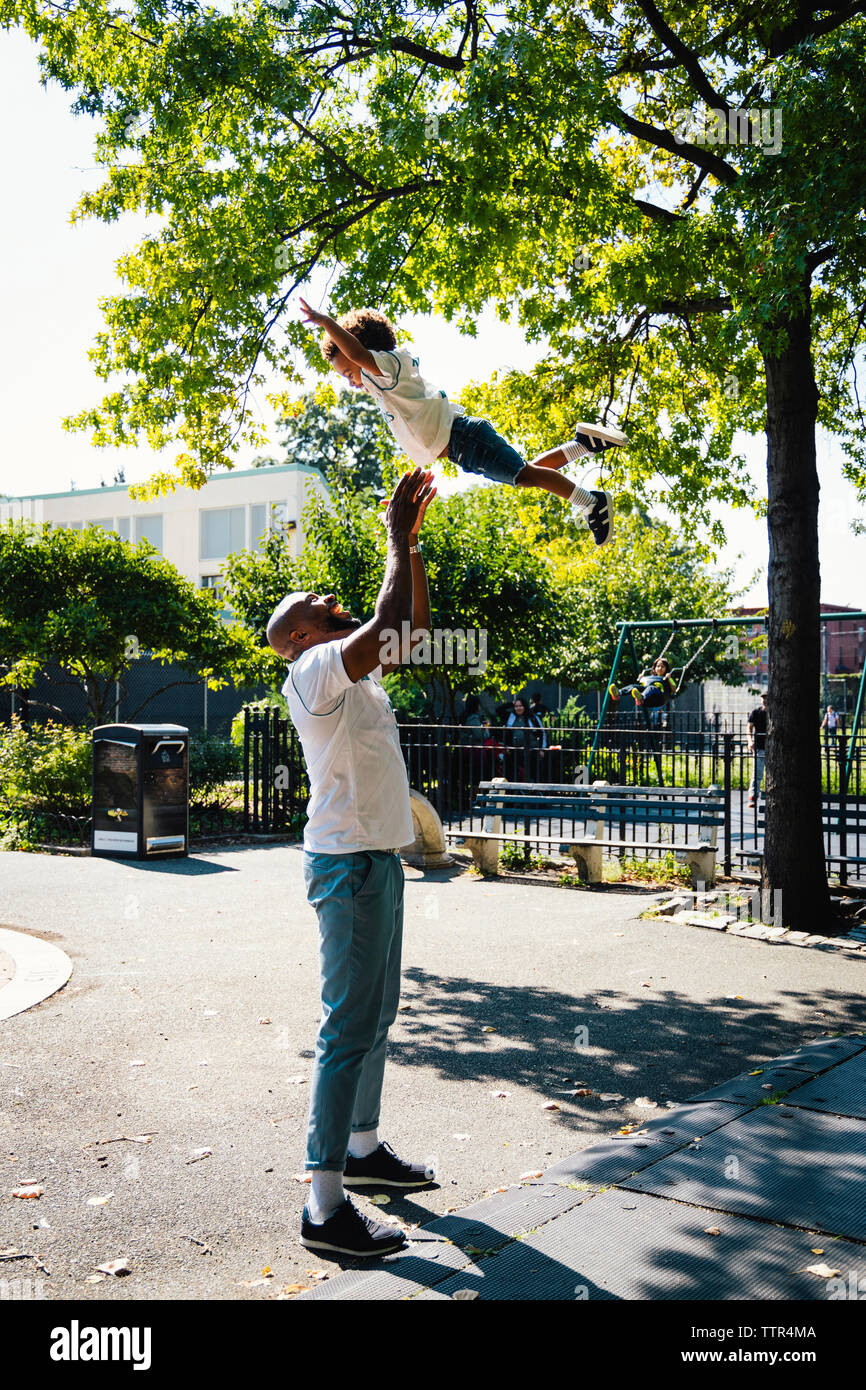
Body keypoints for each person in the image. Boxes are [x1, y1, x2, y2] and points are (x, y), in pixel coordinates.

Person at [267, 467, 437, 1258]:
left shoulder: (356, 679)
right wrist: (393, 540)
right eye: (310, 604)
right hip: (347, 868)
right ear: (297, 636)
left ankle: (364, 1152)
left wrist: (413, 546)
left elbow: (409, 631)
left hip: (378, 862)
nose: (323, 596)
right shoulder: (311, 672)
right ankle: (323, 1203)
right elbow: (380, 622)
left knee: (377, 1018)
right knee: (346, 1028)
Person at [299, 298, 626, 547]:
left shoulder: (387, 366)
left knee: (525, 476)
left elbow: (358, 355)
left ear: (362, 350)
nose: (350, 381)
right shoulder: (382, 383)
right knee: (527, 473)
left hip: (464, 439)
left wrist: (326, 322)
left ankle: (591, 501)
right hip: (459, 448)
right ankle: (583, 444)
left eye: (348, 373)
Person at [609, 658, 678, 711]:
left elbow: (674, 690)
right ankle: (618, 693)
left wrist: (668, 679)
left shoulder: (668, 678)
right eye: (658, 666)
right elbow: (642, 686)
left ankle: (641, 697)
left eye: (662, 667)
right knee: (633, 686)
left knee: (651, 688)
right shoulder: (651, 677)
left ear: (666, 669)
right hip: (647, 699)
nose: (660, 668)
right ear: (654, 668)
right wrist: (641, 678)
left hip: (659, 697)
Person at [506, 695, 547, 779]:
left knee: (533, 773)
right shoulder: (512, 717)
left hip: (532, 751)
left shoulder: (533, 717)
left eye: (520, 706)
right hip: (516, 751)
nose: (518, 708)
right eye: (516, 706)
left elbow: (541, 732)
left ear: (525, 706)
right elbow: (508, 733)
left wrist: (541, 749)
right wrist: (507, 746)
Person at [747, 692, 768, 808]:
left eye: (766, 698)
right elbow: (749, 728)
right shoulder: (756, 712)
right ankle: (753, 797)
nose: (764, 700)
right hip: (760, 746)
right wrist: (750, 741)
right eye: (763, 698)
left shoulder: (775, 713)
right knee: (757, 774)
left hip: (772, 747)